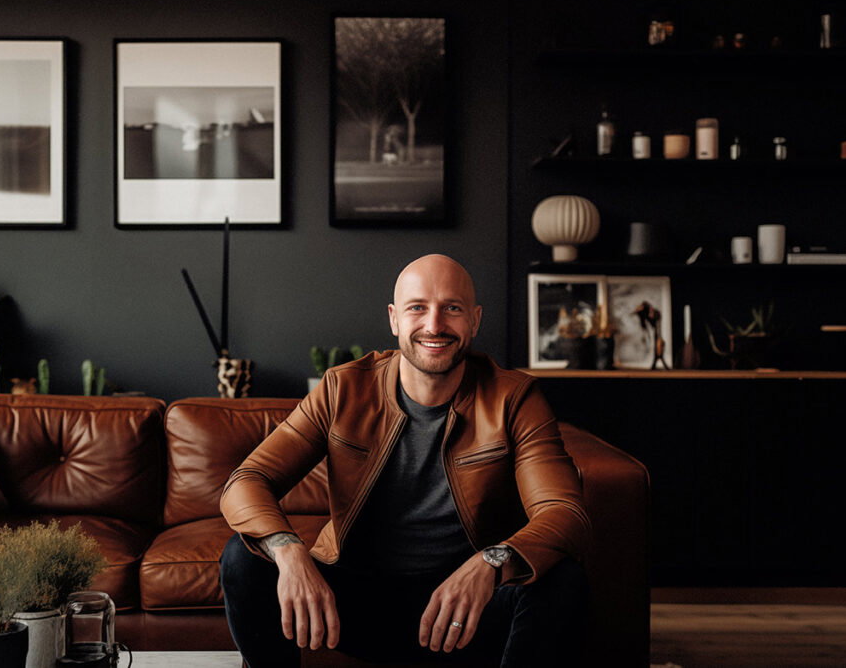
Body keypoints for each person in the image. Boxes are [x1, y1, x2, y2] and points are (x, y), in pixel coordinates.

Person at [219, 254, 591, 667]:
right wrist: (289, 552)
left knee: (562, 578)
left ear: (475, 320)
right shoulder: (343, 388)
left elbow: (564, 512)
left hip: (462, 612)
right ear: (394, 319)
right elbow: (247, 480)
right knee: (243, 557)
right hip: (357, 605)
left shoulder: (514, 398)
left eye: (452, 308)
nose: (434, 325)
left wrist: (491, 562)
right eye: (417, 307)